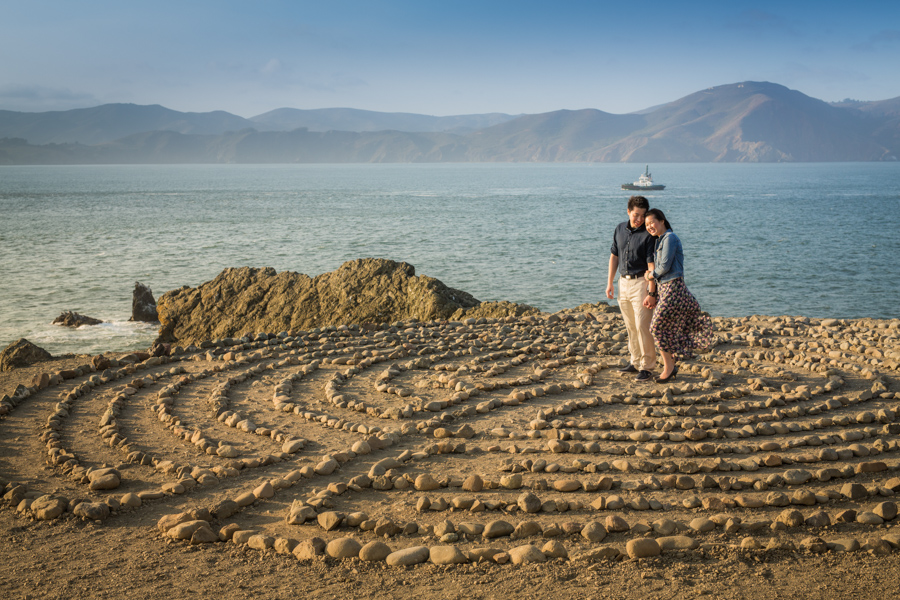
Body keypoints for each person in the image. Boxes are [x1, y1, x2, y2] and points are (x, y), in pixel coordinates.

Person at [642, 208, 714, 383]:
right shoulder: (659, 241)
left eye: (652, 222)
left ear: (662, 221)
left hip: (673, 288)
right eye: (647, 225)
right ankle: (671, 363)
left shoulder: (670, 238)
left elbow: (664, 266)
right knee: (665, 327)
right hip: (665, 289)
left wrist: (649, 275)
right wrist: (653, 291)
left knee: (656, 327)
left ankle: (669, 367)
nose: (650, 226)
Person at [606, 195, 657, 381]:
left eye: (643, 216)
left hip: (641, 283)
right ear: (628, 211)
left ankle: (648, 366)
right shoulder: (619, 229)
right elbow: (614, 256)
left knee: (643, 326)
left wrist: (652, 292)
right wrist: (610, 282)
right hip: (623, 283)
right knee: (630, 326)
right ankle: (635, 361)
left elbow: (652, 266)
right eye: (636, 215)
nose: (639, 219)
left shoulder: (648, 235)